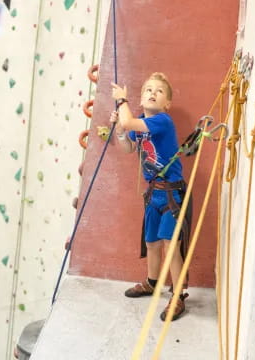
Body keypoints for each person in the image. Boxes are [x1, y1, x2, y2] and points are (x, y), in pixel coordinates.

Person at [110, 72, 191, 321]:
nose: (152, 93)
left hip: (171, 194)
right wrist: (120, 131)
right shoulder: (142, 121)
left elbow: (129, 123)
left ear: (166, 103)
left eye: (158, 91)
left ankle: (177, 295)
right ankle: (153, 282)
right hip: (154, 194)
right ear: (142, 97)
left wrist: (122, 103)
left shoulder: (162, 121)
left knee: (171, 246)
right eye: (148, 89)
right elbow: (128, 146)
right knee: (152, 243)